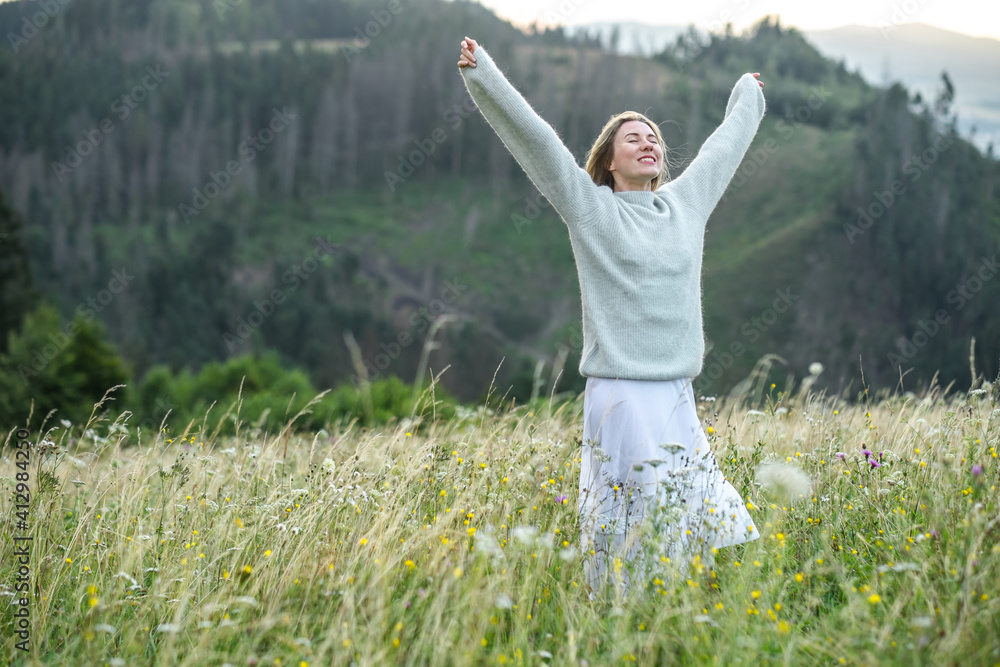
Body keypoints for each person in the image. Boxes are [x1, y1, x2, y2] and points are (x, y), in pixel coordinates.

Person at [457, 36, 765, 599]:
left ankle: (681, 622)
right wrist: (485, 75)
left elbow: (724, 149)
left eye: (653, 138)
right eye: (633, 138)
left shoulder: (684, 206)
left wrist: (748, 94)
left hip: (675, 392)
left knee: (702, 514)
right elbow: (538, 142)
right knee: (636, 521)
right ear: (609, 158)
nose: (647, 143)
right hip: (620, 393)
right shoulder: (590, 208)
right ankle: (622, 625)